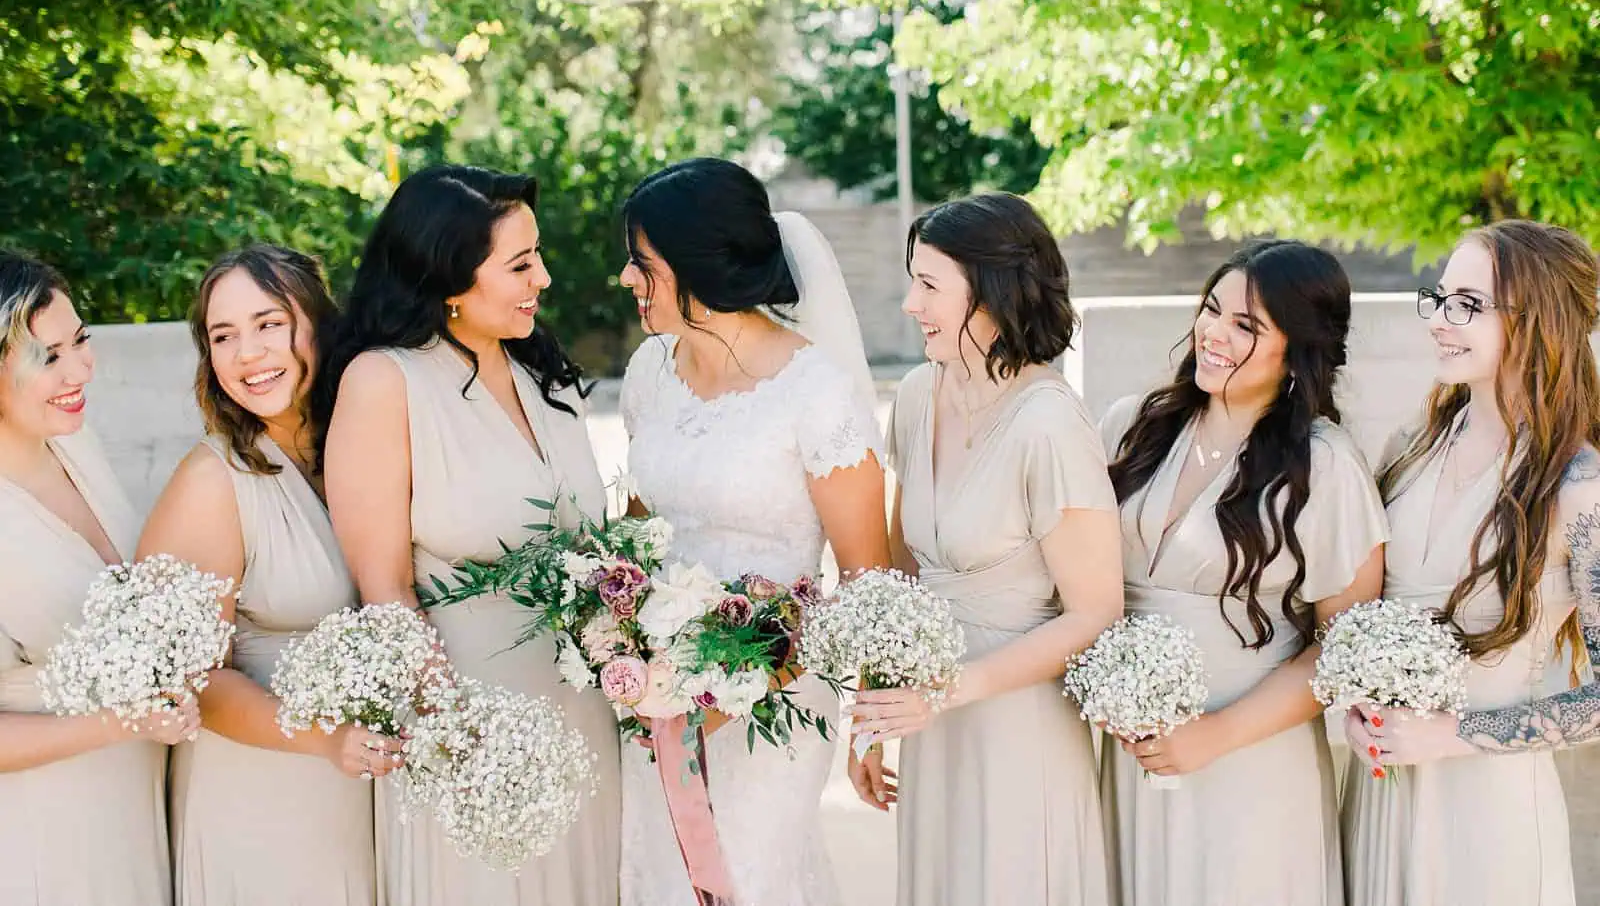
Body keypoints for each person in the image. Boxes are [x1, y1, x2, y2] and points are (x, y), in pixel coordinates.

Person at [322, 165, 620, 906]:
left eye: (538, 255)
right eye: (521, 264)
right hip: (470, 742)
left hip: (587, 726)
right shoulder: (383, 382)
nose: (544, 278)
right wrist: (463, 739)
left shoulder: (543, 376)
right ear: (450, 276)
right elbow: (385, 592)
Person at [615, 157, 892, 906]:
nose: (626, 279)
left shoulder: (815, 392)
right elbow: (636, 541)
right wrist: (614, 635)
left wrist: (869, 728)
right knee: (660, 873)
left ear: (699, 264)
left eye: (642, 263)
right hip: (657, 698)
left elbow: (868, 577)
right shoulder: (649, 372)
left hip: (777, 695)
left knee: (755, 877)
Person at [850, 193, 1124, 905]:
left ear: (993, 291)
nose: (910, 303)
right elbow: (899, 580)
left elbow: (1095, 611)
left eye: (930, 284)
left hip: (1018, 725)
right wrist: (876, 713)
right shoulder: (916, 395)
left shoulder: (1050, 423)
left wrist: (943, 693)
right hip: (930, 724)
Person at [1098, 240, 1387, 906]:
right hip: (1132, 757)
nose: (1215, 332)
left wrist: (1213, 735)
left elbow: (1345, 645)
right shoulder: (1131, 428)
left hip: (1249, 762)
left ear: (1299, 348)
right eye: (1211, 308)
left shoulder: (1325, 465)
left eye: (1246, 325)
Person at [1343, 220, 1600, 906]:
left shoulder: (1578, 486)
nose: (1440, 320)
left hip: (1490, 809)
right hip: (1381, 791)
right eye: (1440, 297)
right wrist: (1358, 702)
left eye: (1468, 303)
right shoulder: (1411, 445)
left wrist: (1450, 733)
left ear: (1538, 316)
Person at [144, 245, 389, 904]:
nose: (248, 352)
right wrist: (327, 739)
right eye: (223, 336)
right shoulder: (212, 481)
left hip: (363, 794)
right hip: (260, 799)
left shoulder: (362, 443)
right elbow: (192, 678)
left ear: (317, 321)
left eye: (268, 323)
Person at [0, 249, 191, 904]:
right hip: (46, 838)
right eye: (47, 357)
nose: (80, 368)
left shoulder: (75, 440)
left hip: (138, 811)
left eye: (79, 340)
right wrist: (122, 722)